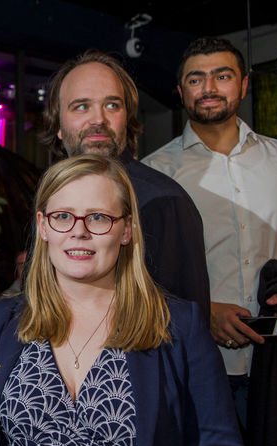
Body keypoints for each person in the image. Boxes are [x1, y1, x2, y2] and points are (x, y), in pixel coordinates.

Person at [0, 154, 248, 446]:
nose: (79, 232)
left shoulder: (177, 325)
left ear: (127, 230)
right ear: (43, 226)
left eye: (99, 218)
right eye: (63, 216)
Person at [142, 36, 277, 424]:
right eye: (196, 79)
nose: (209, 89)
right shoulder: (154, 174)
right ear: (180, 91)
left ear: (243, 84)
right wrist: (202, 311)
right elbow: (141, 271)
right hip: (197, 365)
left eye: (222, 76)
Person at [42, 49, 211, 317]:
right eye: (81, 106)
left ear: (127, 119)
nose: (98, 119)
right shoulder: (51, 199)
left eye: (112, 105)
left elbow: (185, 330)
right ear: (59, 124)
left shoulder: (163, 202)